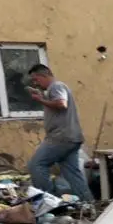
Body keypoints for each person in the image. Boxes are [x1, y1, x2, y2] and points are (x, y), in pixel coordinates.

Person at [25, 64, 95, 204]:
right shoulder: (55, 88)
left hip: (60, 137)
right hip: (71, 137)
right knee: (72, 172)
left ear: (44, 75)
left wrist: (41, 100)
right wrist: (43, 97)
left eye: (36, 79)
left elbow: (61, 104)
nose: (35, 83)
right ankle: (88, 203)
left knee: (37, 165)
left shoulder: (56, 86)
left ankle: (48, 201)